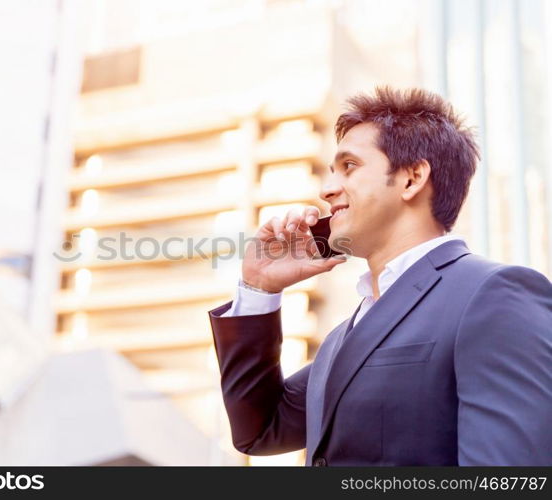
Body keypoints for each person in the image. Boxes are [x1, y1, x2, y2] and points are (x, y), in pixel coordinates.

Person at [207, 87, 552, 466]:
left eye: (349, 166)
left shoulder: (494, 295)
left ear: (412, 178)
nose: (327, 190)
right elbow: (260, 430)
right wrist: (259, 288)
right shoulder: (342, 338)